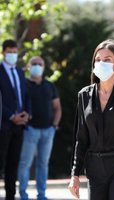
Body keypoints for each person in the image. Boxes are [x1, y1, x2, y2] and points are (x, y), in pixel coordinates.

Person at [68, 39, 114, 200]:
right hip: (95, 169)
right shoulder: (84, 95)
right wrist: (75, 174)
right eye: (98, 60)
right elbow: (81, 138)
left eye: (107, 59)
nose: (101, 63)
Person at [18, 56, 62, 200]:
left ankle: (41, 194)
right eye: (34, 63)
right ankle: (23, 194)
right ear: (29, 67)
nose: (37, 66)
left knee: (43, 164)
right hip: (30, 130)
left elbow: (57, 108)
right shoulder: (23, 84)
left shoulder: (50, 86)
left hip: (48, 131)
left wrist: (54, 127)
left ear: (44, 67)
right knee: (25, 163)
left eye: (40, 64)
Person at [0, 39, 31, 200]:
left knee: (13, 164)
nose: (12, 54)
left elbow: (25, 95)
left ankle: (10, 196)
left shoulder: (19, 71)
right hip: (4, 125)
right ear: (3, 52)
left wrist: (27, 114)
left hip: (20, 126)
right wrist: (11, 116)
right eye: (9, 52)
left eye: (14, 51)